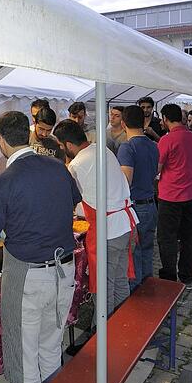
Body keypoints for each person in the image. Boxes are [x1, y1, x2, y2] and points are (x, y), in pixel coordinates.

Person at [0, 111, 78, 383]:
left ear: (0, 140)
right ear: (28, 135)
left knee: (23, 354)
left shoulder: (4, 182)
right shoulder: (59, 168)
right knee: (51, 347)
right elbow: (71, 203)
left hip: (27, 275)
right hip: (64, 268)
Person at [53, 119, 136, 312]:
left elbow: (69, 201)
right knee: (120, 281)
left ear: (68, 145)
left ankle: (106, 333)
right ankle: (122, 323)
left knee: (105, 287)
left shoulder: (77, 164)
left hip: (108, 231)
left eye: (60, 145)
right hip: (125, 225)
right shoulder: (103, 149)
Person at [156, 104, 192, 286]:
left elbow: (157, 168)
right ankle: (187, 275)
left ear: (166, 118)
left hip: (171, 196)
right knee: (188, 235)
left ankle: (169, 277)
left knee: (167, 238)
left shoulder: (167, 140)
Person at [116, 105, 159, 290]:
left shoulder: (127, 147)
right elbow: (156, 172)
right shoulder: (153, 145)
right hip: (151, 204)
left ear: (123, 123)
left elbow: (125, 180)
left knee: (134, 255)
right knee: (147, 251)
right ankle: (148, 290)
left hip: (135, 207)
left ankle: (137, 298)